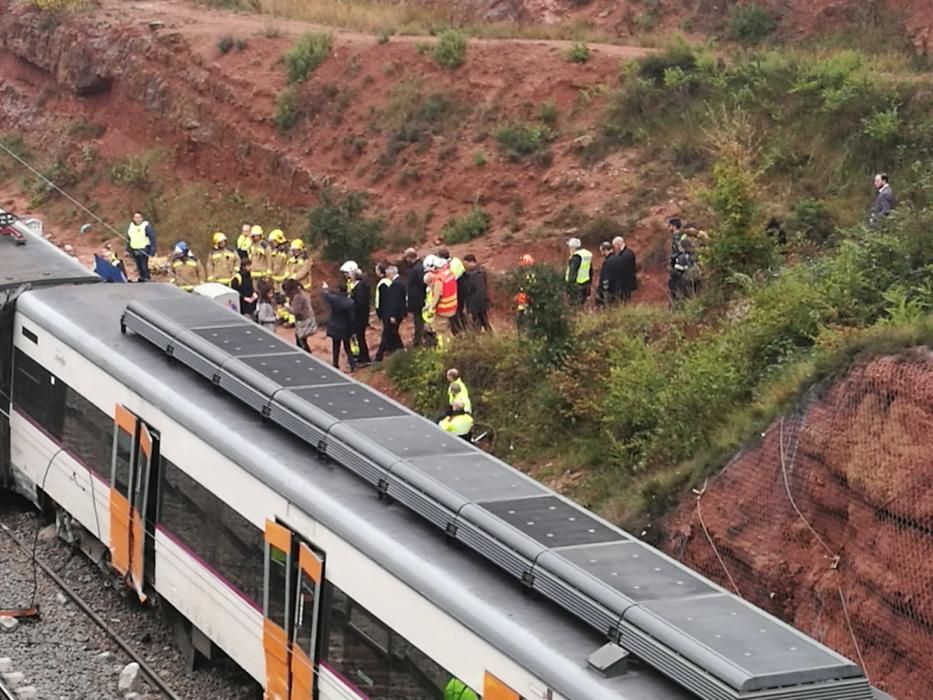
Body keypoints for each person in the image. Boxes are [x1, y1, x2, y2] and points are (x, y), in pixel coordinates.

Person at [423, 255, 458, 348]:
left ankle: (444, 351)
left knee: (440, 331)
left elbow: (437, 296)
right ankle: (453, 347)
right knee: (447, 329)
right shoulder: (449, 273)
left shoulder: (439, 279)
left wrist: (431, 308)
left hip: (443, 309)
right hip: (452, 307)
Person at [322, 280, 357, 371]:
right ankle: (352, 364)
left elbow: (326, 295)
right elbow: (352, 319)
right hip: (346, 328)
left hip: (335, 327)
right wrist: (353, 331)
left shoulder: (334, 299)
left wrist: (325, 288)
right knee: (347, 347)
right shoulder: (350, 302)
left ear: (338, 289)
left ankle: (335, 364)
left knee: (335, 346)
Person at [375, 265, 406, 361]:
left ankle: (379, 356)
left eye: (388, 274)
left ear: (392, 273)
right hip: (397, 313)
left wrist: (392, 315)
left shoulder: (396, 285)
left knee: (386, 333)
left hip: (394, 314)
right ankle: (400, 349)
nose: (387, 276)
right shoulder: (400, 282)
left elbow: (395, 301)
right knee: (393, 332)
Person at [283, 279, 317, 352]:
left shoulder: (298, 297)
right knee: (300, 338)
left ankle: (307, 354)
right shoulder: (300, 293)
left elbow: (295, 311)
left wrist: (287, 308)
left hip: (304, 321)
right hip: (305, 319)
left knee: (301, 340)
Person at [347, 267, 372, 365]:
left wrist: (352, 303)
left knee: (360, 337)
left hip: (359, 317)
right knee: (360, 337)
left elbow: (360, 303)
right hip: (362, 316)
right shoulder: (362, 286)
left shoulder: (359, 288)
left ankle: (364, 357)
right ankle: (363, 356)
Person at [462, 254, 491, 332]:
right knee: (481, 322)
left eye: (466, 264)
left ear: (471, 262)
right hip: (475, 304)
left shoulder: (478, 275)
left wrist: (475, 307)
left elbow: (480, 291)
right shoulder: (471, 273)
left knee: (481, 322)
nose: (465, 266)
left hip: (478, 304)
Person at [404, 248, 426, 347]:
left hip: (418, 300)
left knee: (419, 322)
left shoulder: (418, 268)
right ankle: (419, 340)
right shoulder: (417, 267)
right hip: (417, 300)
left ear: (409, 258)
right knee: (418, 321)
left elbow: (422, 284)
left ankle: (420, 341)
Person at [126, 211, 155, 282]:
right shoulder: (131, 226)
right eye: (136, 217)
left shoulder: (146, 226)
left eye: (139, 217)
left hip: (144, 250)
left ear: (142, 218)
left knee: (144, 267)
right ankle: (142, 279)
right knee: (139, 267)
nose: (137, 219)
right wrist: (128, 250)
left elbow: (152, 238)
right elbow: (129, 238)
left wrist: (152, 251)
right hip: (135, 250)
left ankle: (147, 280)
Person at [564, 237, 592, 307]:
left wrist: (569, 288)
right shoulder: (586, 255)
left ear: (573, 247)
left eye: (570, 247)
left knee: (574, 306)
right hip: (585, 284)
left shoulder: (576, 257)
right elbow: (590, 270)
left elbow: (572, 274)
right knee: (582, 305)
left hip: (576, 287)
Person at [612, 236, 637, 303]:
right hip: (628, 282)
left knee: (624, 300)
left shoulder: (624, 255)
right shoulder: (630, 253)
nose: (615, 248)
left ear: (618, 245)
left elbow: (622, 270)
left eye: (615, 246)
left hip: (625, 283)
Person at [267, 229, 289, 295]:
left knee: (283, 297)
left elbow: (278, 266)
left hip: (283, 280)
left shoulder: (284, 252)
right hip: (276, 280)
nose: (272, 244)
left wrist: (271, 275)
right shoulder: (275, 251)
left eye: (273, 242)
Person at [595, 241, 614, 306]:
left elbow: (606, 276)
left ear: (605, 250)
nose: (601, 253)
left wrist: (603, 289)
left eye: (602, 251)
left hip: (609, 289)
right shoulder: (618, 258)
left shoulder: (608, 262)